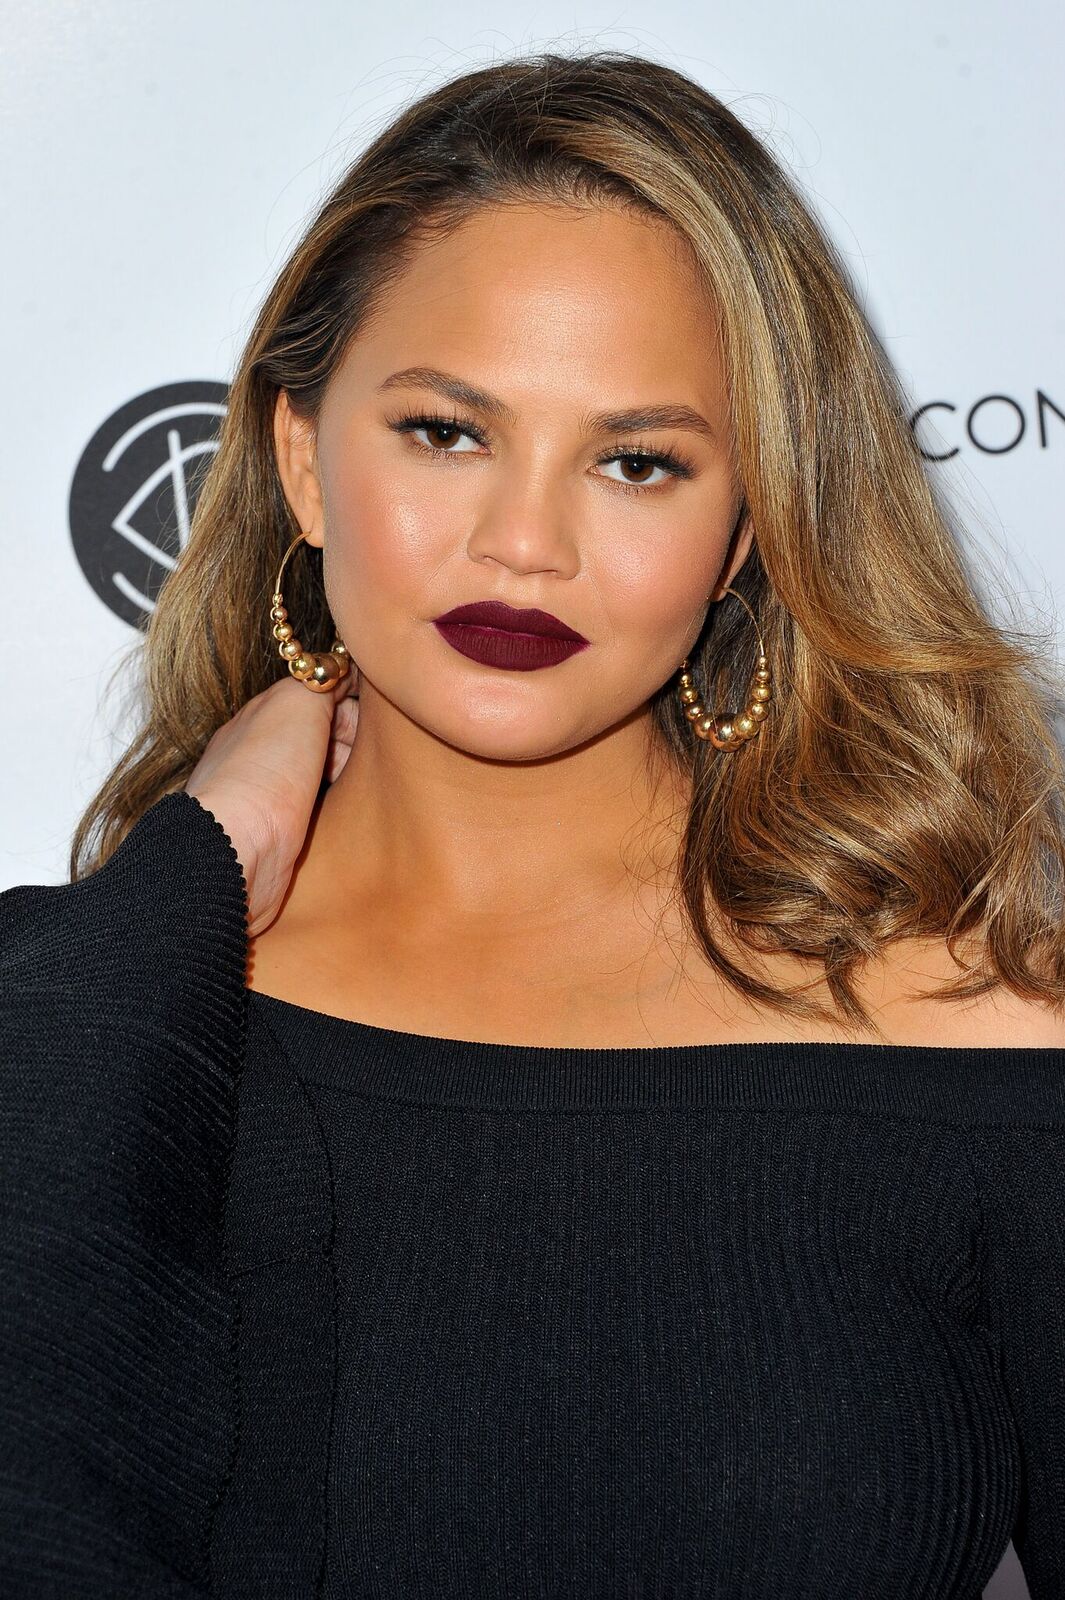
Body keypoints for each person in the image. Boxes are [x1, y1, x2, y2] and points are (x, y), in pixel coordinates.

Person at [2, 47, 1064, 1600]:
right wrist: (190, 871)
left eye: (636, 463)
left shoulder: (985, 1030)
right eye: (445, 431)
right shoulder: (77, 1020)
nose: (523, 544)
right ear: (300, 458)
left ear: (743, 534)